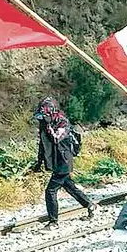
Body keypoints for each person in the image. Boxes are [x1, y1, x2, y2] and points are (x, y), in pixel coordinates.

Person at [33, 97, 96, 229]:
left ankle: (53, 222)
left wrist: (49, 125)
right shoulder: (44, 124)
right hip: (58, 160)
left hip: (65, 160)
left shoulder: (62, 122)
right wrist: (39, 162)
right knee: (69, 186)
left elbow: (57, 138)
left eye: (44, 115)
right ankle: (90, 205)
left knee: (50, 191)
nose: (42, 119)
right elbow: (43, 144)